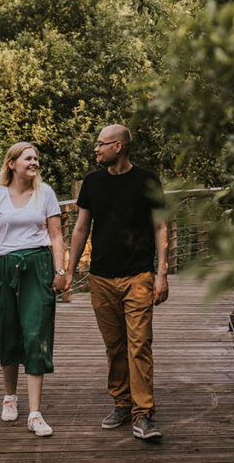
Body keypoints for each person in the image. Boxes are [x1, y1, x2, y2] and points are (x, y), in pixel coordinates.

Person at [65, 123, 168, 442]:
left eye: (101, 144)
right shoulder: (93, 183)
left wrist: (161, 273)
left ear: (119, 147)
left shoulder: (147, 180)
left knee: (139, 343)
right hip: (100, 277)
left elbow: (161, 227)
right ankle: (122, 403)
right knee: (115, 345)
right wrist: (69, 271)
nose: (96, 149)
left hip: (138, 275)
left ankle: (144, 414)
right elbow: (81, 228)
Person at [0, 142, 68, 437]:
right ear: (12, 163)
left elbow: (56, 236)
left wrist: (60, 271)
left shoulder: (47, 193)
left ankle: (35, 414)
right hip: (3, 267)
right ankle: (10, 396)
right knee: (8, 329)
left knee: (35, 332)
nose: (34, 162)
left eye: (37, 158)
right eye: (28, 158)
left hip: (37, 267)